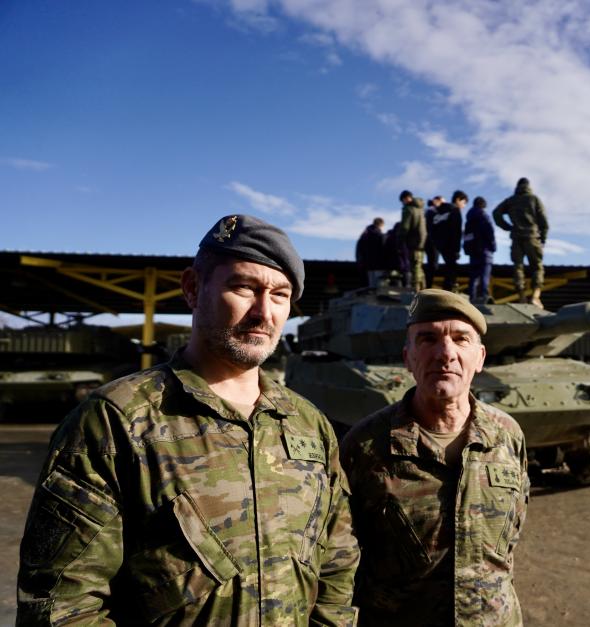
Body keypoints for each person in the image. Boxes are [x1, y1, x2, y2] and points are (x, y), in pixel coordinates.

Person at [16, 215, 359, 624]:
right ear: (193, 289)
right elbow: (62, 606)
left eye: (280, 295)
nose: (263, 313)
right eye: (244, 288)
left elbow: (336, 562)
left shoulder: (308, 424)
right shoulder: (117, 421)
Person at [340, 289, 528, 625]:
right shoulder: (365, 445)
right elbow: (338, 558)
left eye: (461, 339)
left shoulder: (507, 435)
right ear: (408, 357)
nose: (446, 353)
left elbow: (509, 540)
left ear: (480, 357)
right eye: (428, 339)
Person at [493, 177, 549, 308]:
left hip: (517, 237)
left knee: (518, 267)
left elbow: (496, 213)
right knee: (537, 267)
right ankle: (535, 296)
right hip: (532, 236)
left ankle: (522, 296)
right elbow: (543, 220)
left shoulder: (511, 200)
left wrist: (508, 227)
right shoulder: (534, 199)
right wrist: (543, 237)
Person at [428, 190, 466, 291]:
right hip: (451, 245)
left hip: (439, 245)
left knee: (444, 266)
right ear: (458, 199)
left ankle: (441, 288)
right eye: (464, 202)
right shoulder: (455, 210)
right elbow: (456, 232)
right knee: (452, 268)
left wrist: (437, 243)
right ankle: (449, 290)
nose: (464, 206)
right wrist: (457, 249)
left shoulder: (439, 212)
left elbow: (432, 229)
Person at [463, 195, 496, 303]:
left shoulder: (469, 220)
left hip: (473, 253)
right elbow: (490, 232)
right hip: (485, 251)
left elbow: (466, 237)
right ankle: (483, 297)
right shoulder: (484, 216)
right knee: (484, 275)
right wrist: (493, 246)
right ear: (483, 205)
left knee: (473, 277)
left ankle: (472, 298)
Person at [399, 190, 427, 291]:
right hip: (421, 243)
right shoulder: (421, 210)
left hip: (412, 242)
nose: (403, 203)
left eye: (402, 201)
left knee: (414, 268)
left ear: (406, 198)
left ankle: (417, 293)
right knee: (419, 267)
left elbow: (405, 227)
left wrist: (400, 239)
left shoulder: (409, 209)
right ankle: (424, 290)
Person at [356, 217, 387, 288]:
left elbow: (359, 250)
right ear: (381, 225)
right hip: (379, 264)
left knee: (371, 286)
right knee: (379, 287)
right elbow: (383, 249)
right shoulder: (380, 235)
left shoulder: (364, 235)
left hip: (367, 265)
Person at [424, 196, 443, 287]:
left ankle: (427, 285)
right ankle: (428, 286)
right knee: (433, 265)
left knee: (430, 263)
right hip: (433, 241)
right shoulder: (433, 212)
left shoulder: (426, 211)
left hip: (426, 240)